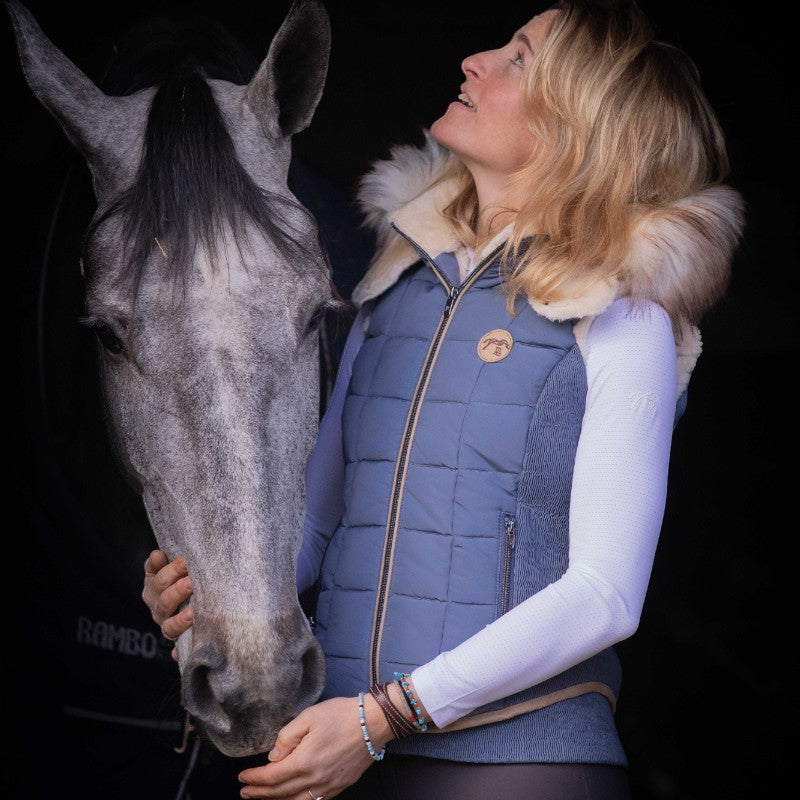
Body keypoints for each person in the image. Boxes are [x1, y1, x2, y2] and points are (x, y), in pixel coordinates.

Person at [142, 0, 745, 797]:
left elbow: (605, 597)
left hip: (521, 770)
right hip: (337, 761)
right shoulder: (392, 286)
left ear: (581, 126)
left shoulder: (624, 317)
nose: (474, 61)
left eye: (518, 57)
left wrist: (384, 717)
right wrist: (209, 597)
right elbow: (317, 525)